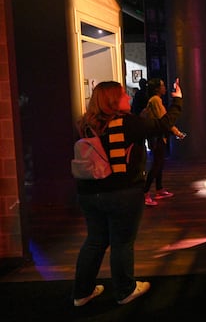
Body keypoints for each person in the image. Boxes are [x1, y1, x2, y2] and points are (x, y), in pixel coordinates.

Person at [72, 79, 183, 306]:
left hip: (88, 193)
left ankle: (82, 293)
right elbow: (162, 125)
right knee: (122, 242)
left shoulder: (86, 124)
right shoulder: (127, 123)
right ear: (113, 101)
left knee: (95, 240)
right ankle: (125, 290)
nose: (128, 97)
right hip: (122, 192)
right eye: (123, 95)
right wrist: (178, 100)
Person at [143, 78, 186, 206]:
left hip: (158, 137)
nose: (164, 87)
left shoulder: (155, 100)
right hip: (157, 138)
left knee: (159, 164)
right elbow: (165, 121)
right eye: (162, 85)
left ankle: (159, 189)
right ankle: (146, 193)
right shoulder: (155, 100)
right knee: (157, 165)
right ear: (157, 88)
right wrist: (177, 133)